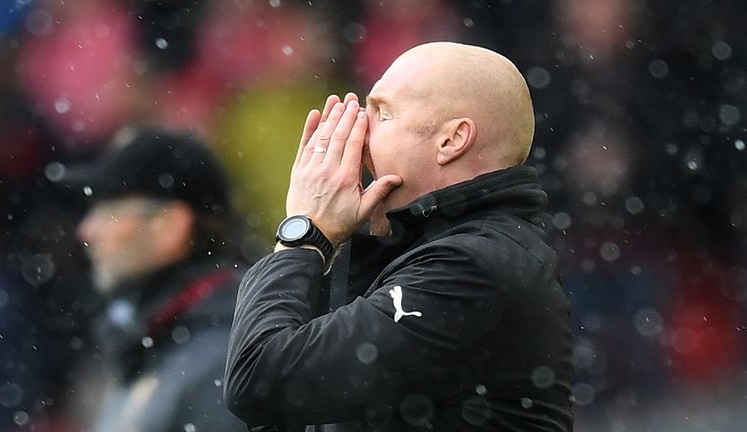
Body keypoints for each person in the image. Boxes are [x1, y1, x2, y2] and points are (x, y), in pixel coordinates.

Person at [225, 42, 574, 431]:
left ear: (452, 140)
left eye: (382, 112)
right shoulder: (426, 251)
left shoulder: (472, 268)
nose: (358, 126)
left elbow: (261, 381)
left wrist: (303, 236)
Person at [61, 127, 249, 432]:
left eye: (108, 210)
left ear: (170, 225)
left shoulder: (219, 359)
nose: (86, 231)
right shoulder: (159, 338)